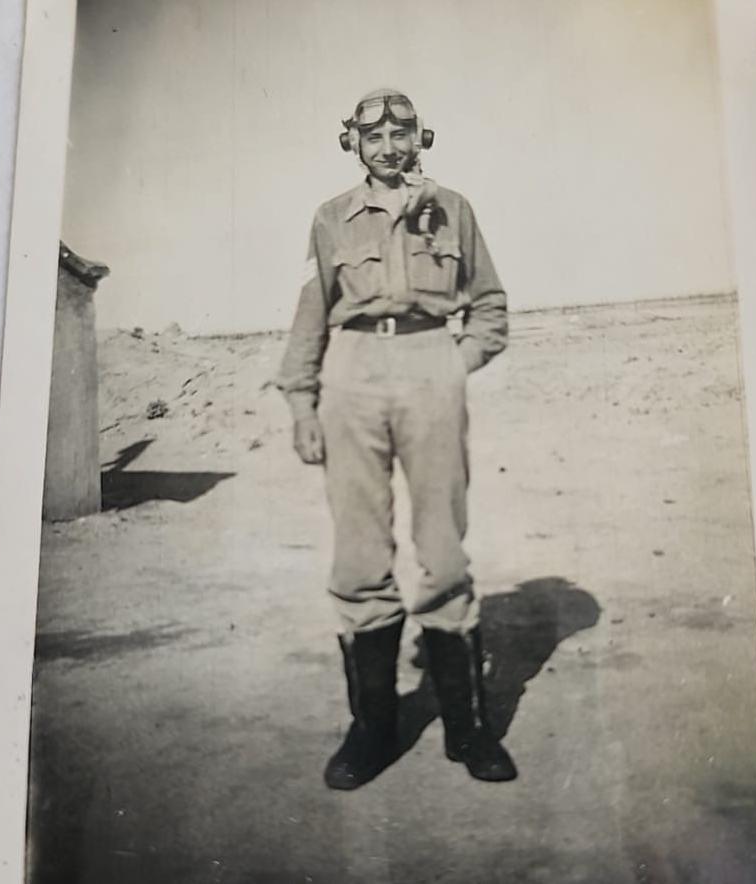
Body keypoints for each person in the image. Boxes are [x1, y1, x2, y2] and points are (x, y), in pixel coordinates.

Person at [277, 88, 516, 789]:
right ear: (352, 141)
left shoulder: (453, 209)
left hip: (428, 364)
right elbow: (309, 313)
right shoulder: (330, 219)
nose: (387, 145)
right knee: (358, 549)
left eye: (400, 132)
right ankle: (372, 729)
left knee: (441, 543)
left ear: (421, 138)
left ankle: (468, 730)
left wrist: (454, 363)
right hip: (350, 372)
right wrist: (300, 401)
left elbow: (491, 302)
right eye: (372, 134)